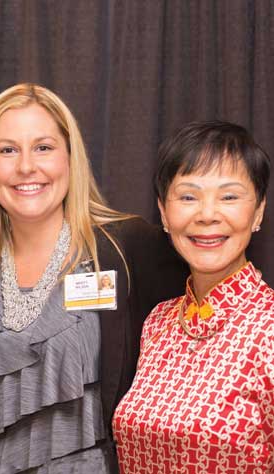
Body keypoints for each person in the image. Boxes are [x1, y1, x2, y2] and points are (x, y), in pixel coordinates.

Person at [0, 83, 188, 473]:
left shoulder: (127, 247)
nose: (27, 166)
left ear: (69, 157)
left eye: (43, 147)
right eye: (7, 150)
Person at [113, 121, 273, 473]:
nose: (206, 215)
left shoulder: (269, 330)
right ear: (164, 213)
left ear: (258, 210)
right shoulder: (158, 322)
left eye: (229, 196)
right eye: (188, 196)